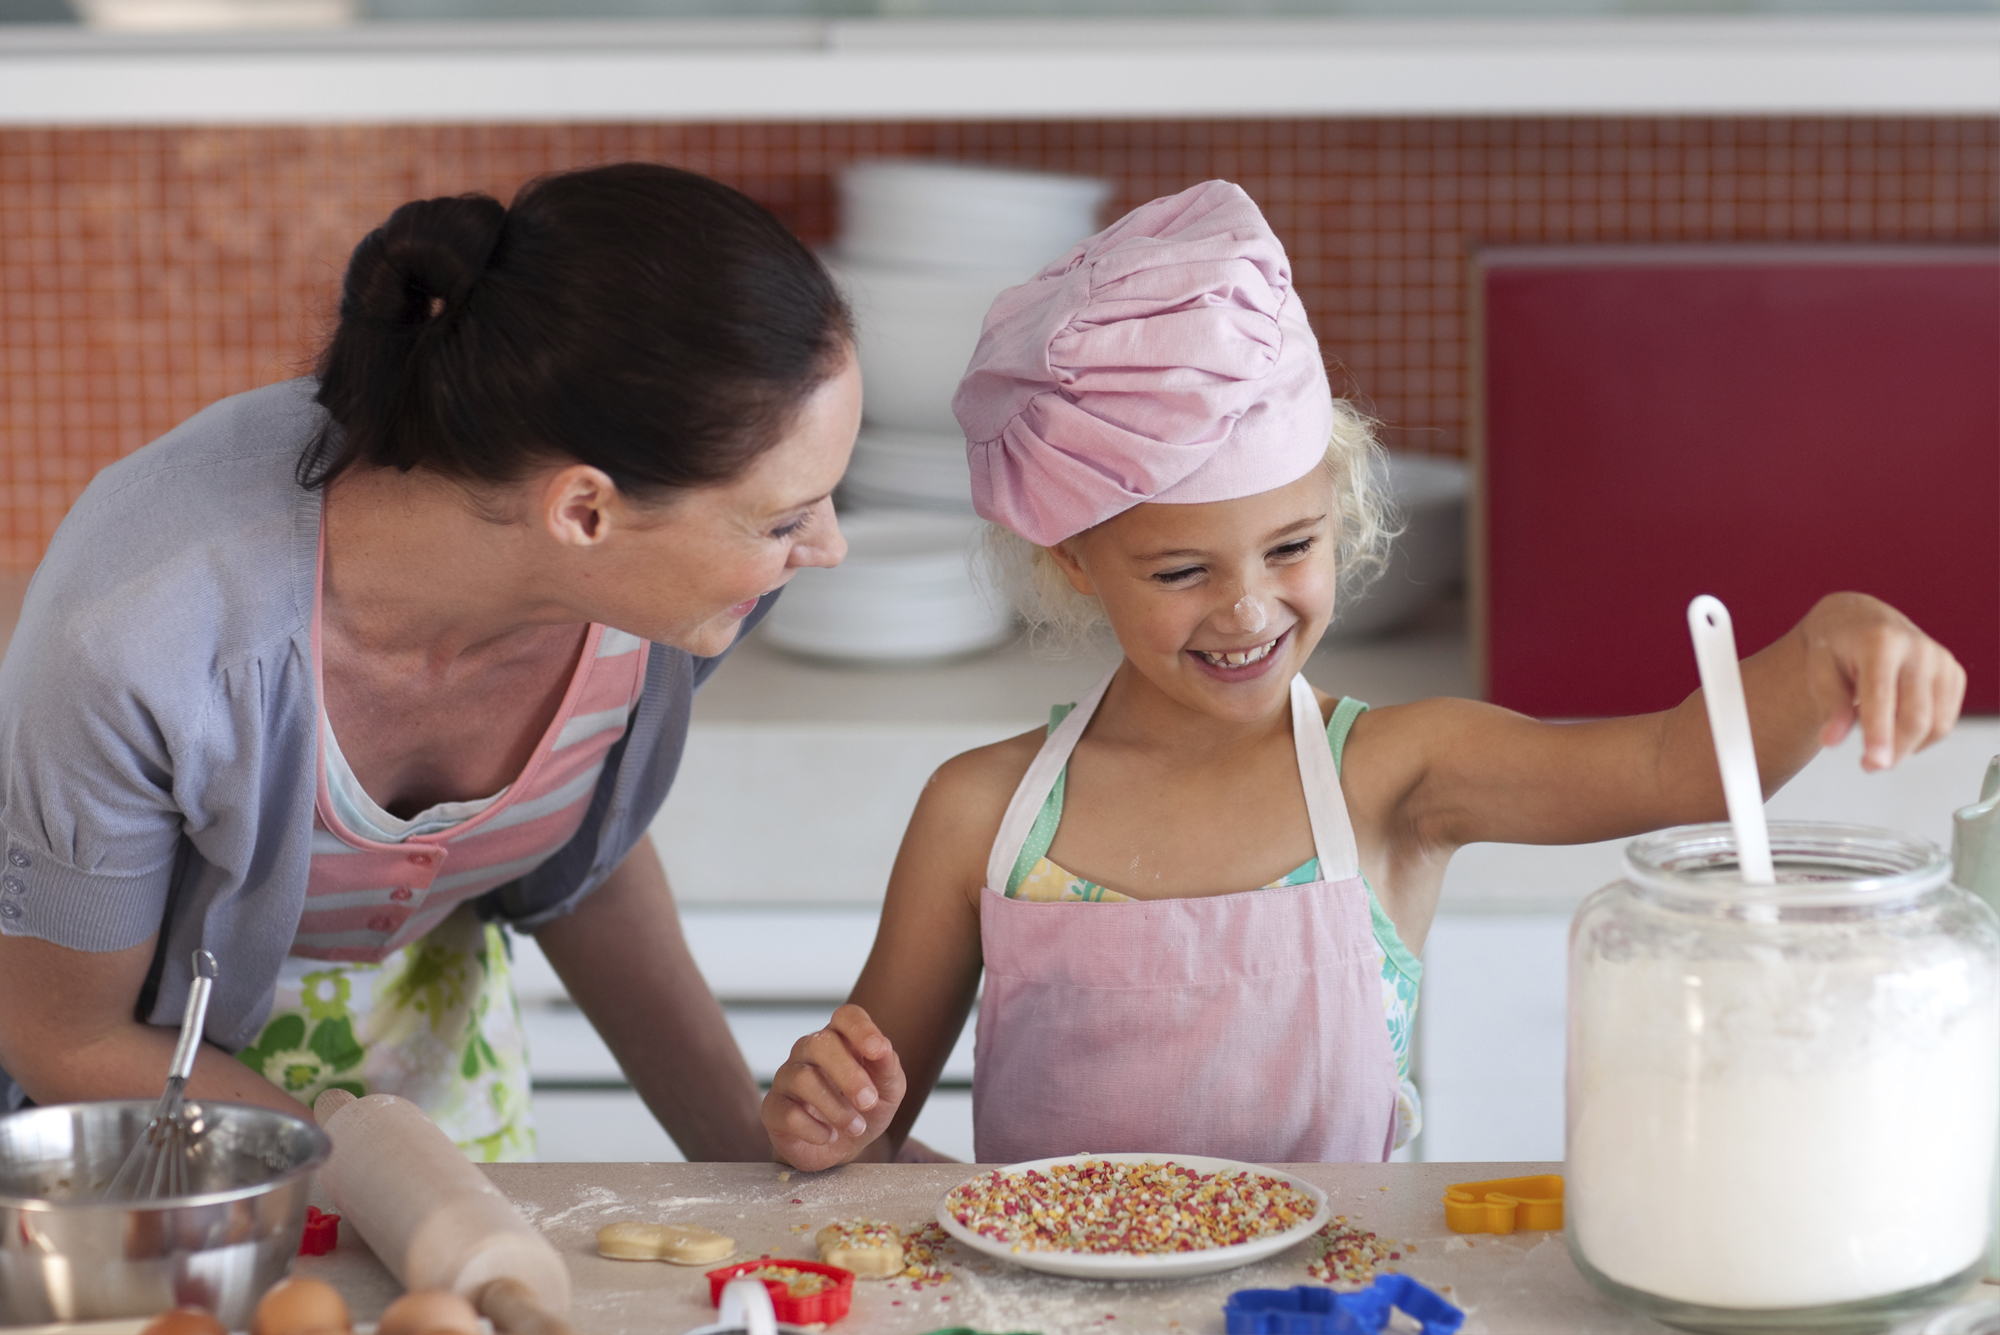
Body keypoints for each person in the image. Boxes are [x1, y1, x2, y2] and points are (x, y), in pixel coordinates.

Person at [760, 180, 1966, 1169]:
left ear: (1340, 513)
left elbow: (1673, 765)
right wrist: (823, 1115)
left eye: (1291, 548)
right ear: (1074, 564)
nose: (1246, 607)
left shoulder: (1395, 776)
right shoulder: (982, 813)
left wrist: (1829, 642)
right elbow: (867, 1126)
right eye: (1180, 569)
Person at [0, 163, 860, 1162]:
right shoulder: (140, 643)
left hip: (439, 1093)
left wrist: (758, 1165)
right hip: (162, 1132)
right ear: (584, 510)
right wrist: (398, 1192)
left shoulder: (665, 599)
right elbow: (71, 1036)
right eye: (785, 519)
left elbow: (585, 863)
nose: (828, 548)